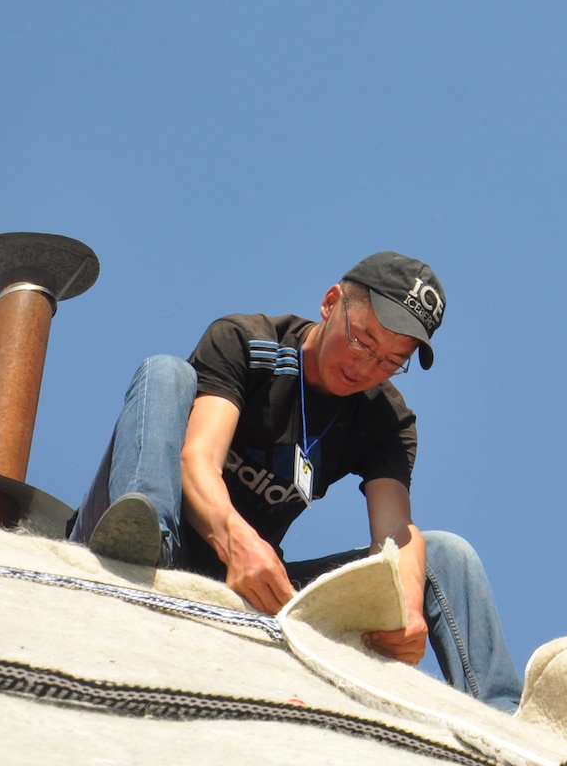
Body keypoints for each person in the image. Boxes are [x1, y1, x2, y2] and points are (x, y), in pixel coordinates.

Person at [69, 252, 522, 712]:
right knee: (166, 370)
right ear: (331, 302)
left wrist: (403, 607)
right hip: (169, 543)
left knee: (446, 555)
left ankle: (505, 721)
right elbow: (197, 459)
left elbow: (395, 534)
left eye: (390, 361)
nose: (366, 367)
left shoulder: (387, 418)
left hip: (251, 588)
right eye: (363, 341)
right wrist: (237, 542)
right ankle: (142, 549)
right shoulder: (246, 341)